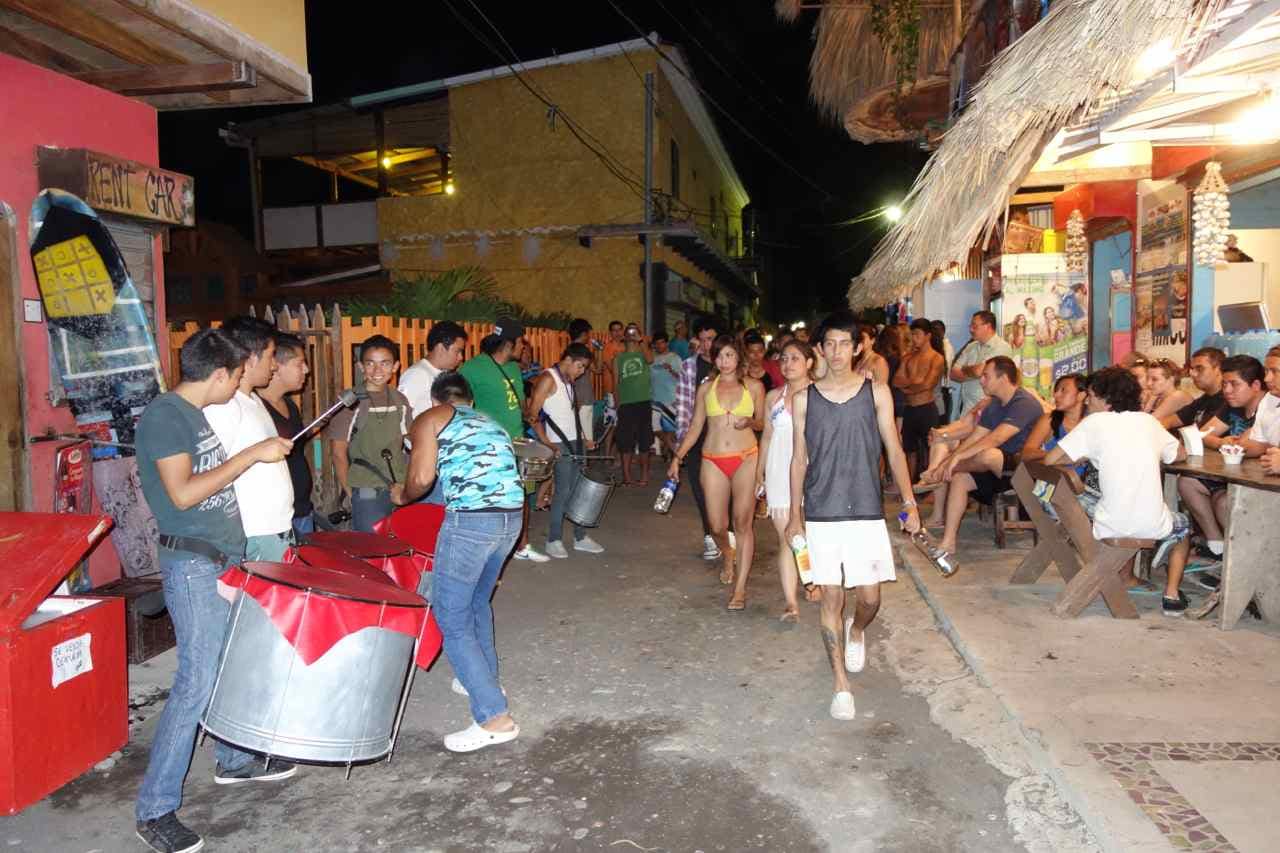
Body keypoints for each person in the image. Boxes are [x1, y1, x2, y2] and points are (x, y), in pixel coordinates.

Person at [134, 328, 295, 853]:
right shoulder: (166, 417)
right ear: (220, 374)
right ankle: (154, 809)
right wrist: (250, 456)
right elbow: (182, 495)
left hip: (220, 560)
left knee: (226, 666)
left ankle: (234, 760)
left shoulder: (196, 414)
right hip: (192, 566)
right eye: (239, 374)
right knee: (195, 682)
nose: (244, 382)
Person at [785, 313, 919, 721]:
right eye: (830, 344)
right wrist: (794, 516)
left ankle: (857, 630)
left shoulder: (877, 392)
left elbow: (894, 450)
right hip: (822, 510)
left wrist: (910, 503)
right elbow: (798, 459)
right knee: (831, 597)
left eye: (846, 343)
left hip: (865, 508)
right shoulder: (804, 399)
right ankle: (840, 685)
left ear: (858, 347)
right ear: (820, 349)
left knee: (870, 598)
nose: (838, 351)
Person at [392, 372, 524, 752]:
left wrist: (402, 495)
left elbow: (421, 478)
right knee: (477, 601)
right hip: (511, 519)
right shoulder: (492, 423)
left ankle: (494, 717)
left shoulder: (431, 418)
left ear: (437, 400)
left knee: (450, 614)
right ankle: (485, 680)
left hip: (471, 521)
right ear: (470, 399)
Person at [1044, 367, 1194, 615]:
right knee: (1184, 525)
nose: (1087, 401)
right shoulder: (1149, 422)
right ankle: (1172, 596)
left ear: (1106, 398)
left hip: (1110, 523)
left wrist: (1086, 455)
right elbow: (1179, 454)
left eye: (1091, 395)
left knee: (1073, 495)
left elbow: (1050, 460)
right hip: (1153, 524)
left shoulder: (1094, 422)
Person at [668, 335, 766, 608]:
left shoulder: (754, 387)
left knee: (743, 523)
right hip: (712, 460)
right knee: (716, 525)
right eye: (720, 356)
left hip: (746, 458)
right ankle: (728, 552)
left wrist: (750, 422)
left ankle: (740, 590)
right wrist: (677, 457)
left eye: (729, 355)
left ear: (739, 357)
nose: (724, 361)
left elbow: (762, 423)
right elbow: (696, 426)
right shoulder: (705, 389)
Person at [918, 356, 1044, 557]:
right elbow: (975, 437)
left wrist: (954, 462)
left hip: (1024, 472)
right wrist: (951, 459)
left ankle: (939, 474)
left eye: (986, 376)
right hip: (995, 471)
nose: (981, 381)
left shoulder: (1024, 403)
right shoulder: (994, 404)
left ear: (1003, 378)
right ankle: (948, 542)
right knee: (960, 478)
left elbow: (996, 438)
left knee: (988, 454)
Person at [459, 317, 557, 561]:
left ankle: (522, 546)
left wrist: (537, 428)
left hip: (518, 443)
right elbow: (458, 406)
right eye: (521, 342)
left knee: (521, 495)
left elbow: (521, 406)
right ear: (509, 343)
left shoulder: (513, 368)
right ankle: (489, 548)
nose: (524, 346)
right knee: (492, 499)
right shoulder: (472, 369)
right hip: (489, 448)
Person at [202, 316, 293, 561]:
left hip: (273, 529)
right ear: (251, 358)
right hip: (254, 532)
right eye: (271, 356)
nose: (274, 366)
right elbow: (210, 472)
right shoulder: (225, 405)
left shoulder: (252, 400)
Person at [1176, 355, 1268, 565]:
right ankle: (1217, 545)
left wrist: (1238, 444)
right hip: (1232, 476)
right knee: (1186, 482)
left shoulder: (1268, 408)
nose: (1227, 390)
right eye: (1225, 384)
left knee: (1223, 502)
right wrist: (1221, 442)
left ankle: (1246, 561)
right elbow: (1203, 434)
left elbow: (1249, 445)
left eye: (1234, 384)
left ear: (1255, 385)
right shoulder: (1232, 405)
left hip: (1262, 485)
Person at [756, 339, 819, 622]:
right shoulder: (773, 397)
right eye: (783, 358)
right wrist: (760, 471)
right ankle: (791, 602)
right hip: (780, 471)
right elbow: (767, 437)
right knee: (787, 537)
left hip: (814, 472)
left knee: (811, 534)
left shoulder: (820, 394)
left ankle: (811, 578)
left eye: (795, 358)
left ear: (809, 362)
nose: (787, 364)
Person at [325, 335, 412, 533]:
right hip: (366, 489)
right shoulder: (350, 401)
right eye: (370, 363)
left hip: (399, 486)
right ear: (361, 366)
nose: (377, 371)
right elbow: (338, 452)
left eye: (385, 363)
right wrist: (351, 493)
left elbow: (410, 441)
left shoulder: (400, 400)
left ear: (395, 366)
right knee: (371, 545)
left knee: (399, 543)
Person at [527, 343, 606, 558]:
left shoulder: (568, 379)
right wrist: (547, 443)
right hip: (559, 443)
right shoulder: (548, 378)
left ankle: (580, 537)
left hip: (576, 441)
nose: (582, 371)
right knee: (562, 491)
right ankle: (553, 539)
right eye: (580, 366)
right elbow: (532, 415)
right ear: (568, 360)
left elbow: (570, 414)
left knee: (580, 490)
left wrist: (584, 439)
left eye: (584, 368)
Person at [674, 315, 723, 560]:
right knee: (701, 491)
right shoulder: (688, 367)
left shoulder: (730, 364)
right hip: (696, 439)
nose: (706, 345)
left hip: (726, 441)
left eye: (711, 339)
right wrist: (681, 445)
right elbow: (683, 408)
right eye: (702, 340)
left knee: (726, 493)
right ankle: (709, 536)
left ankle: (728, 535)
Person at [259, 332, 317, 537]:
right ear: (276, 365)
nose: (306, 370)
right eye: (300, 363)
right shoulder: (256, 408)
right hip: (275, 518)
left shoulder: (289, 404)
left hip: (301, 508)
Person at [893, 318, 946, 481]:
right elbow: (896, 380)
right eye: (912, 335)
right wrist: (915, 382)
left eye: (917, 334)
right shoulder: (908, 357)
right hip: (910, 409)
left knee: (932, 450)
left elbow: (927, 384)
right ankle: (909, 484)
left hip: (927, 408)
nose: (914, 338)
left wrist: (908, 386)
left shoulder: (936, 358)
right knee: (909, 450)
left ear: (928, 336)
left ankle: (930, 485)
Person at [949, 311, 1014, 417]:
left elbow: (979, 371)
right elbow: (953, 374)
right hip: (966, 408)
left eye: (974, 326)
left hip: (988, 409)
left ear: (988, 326)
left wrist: (964, 369)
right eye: (970, 326)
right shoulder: (971, 346)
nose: (971, 330)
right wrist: (974, 371)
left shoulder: (1001, 347)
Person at [397, 320, 468, 416]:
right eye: (458, 351)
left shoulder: (445, 374)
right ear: (441, 348)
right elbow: (401, 414)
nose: (461, 357)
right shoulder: (416, 375)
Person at [614, 323, 654, 486]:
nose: (632, 334)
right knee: (626, 442)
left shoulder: (643, 353)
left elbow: (650, 359)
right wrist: (617, 405)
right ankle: (627, 477)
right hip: (626, 404)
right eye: (629, 331)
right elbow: (616, 383)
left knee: (644, 441)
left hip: (643, 402)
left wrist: (641, 340)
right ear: (624, 336)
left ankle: (644, 476)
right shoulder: (618, 358)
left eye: (635, 331)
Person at [1022, 373, 1088, 464]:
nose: (1056, 395)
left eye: (1063, 390)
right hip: (1054, 473)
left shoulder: (1092, 422)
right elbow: (1026, 454)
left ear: (1081, 395)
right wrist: (1055, 455)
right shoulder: (1049, 420)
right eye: (1056, 390)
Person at [1158, 347, 1225, 432]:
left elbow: (1203, 434)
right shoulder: (1204, 399)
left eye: (1199, 369)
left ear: (1218, 369)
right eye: (1192, 369)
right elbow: (1169, 421)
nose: (1193, 374)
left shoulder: (1228, 401)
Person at [650, 331, 683, 459]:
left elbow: (683, 378)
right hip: (655, 399)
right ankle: (675, 450)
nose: (659, 345)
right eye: (657, 343)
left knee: (670, 430)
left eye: (662, 343)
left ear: (667, 343)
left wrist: (671, 370)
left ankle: (672, 456)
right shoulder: (652, 359)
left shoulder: (675, 358)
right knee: (654, 428)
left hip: (671, 399)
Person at [931, 319, 955, 420]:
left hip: (942, 393)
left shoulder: (947, 348)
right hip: (937, 395)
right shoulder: (933, 349)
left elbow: (947, 370)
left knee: (941, 425)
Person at [600, 320, 626, 396]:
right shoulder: (607, 347)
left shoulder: (627, 346)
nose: (617, 332)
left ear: (622, 331)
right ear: (610, 333)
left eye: (619, 330)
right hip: (611, 388)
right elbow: (612, 369)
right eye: (614, 330)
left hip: (626, 386)